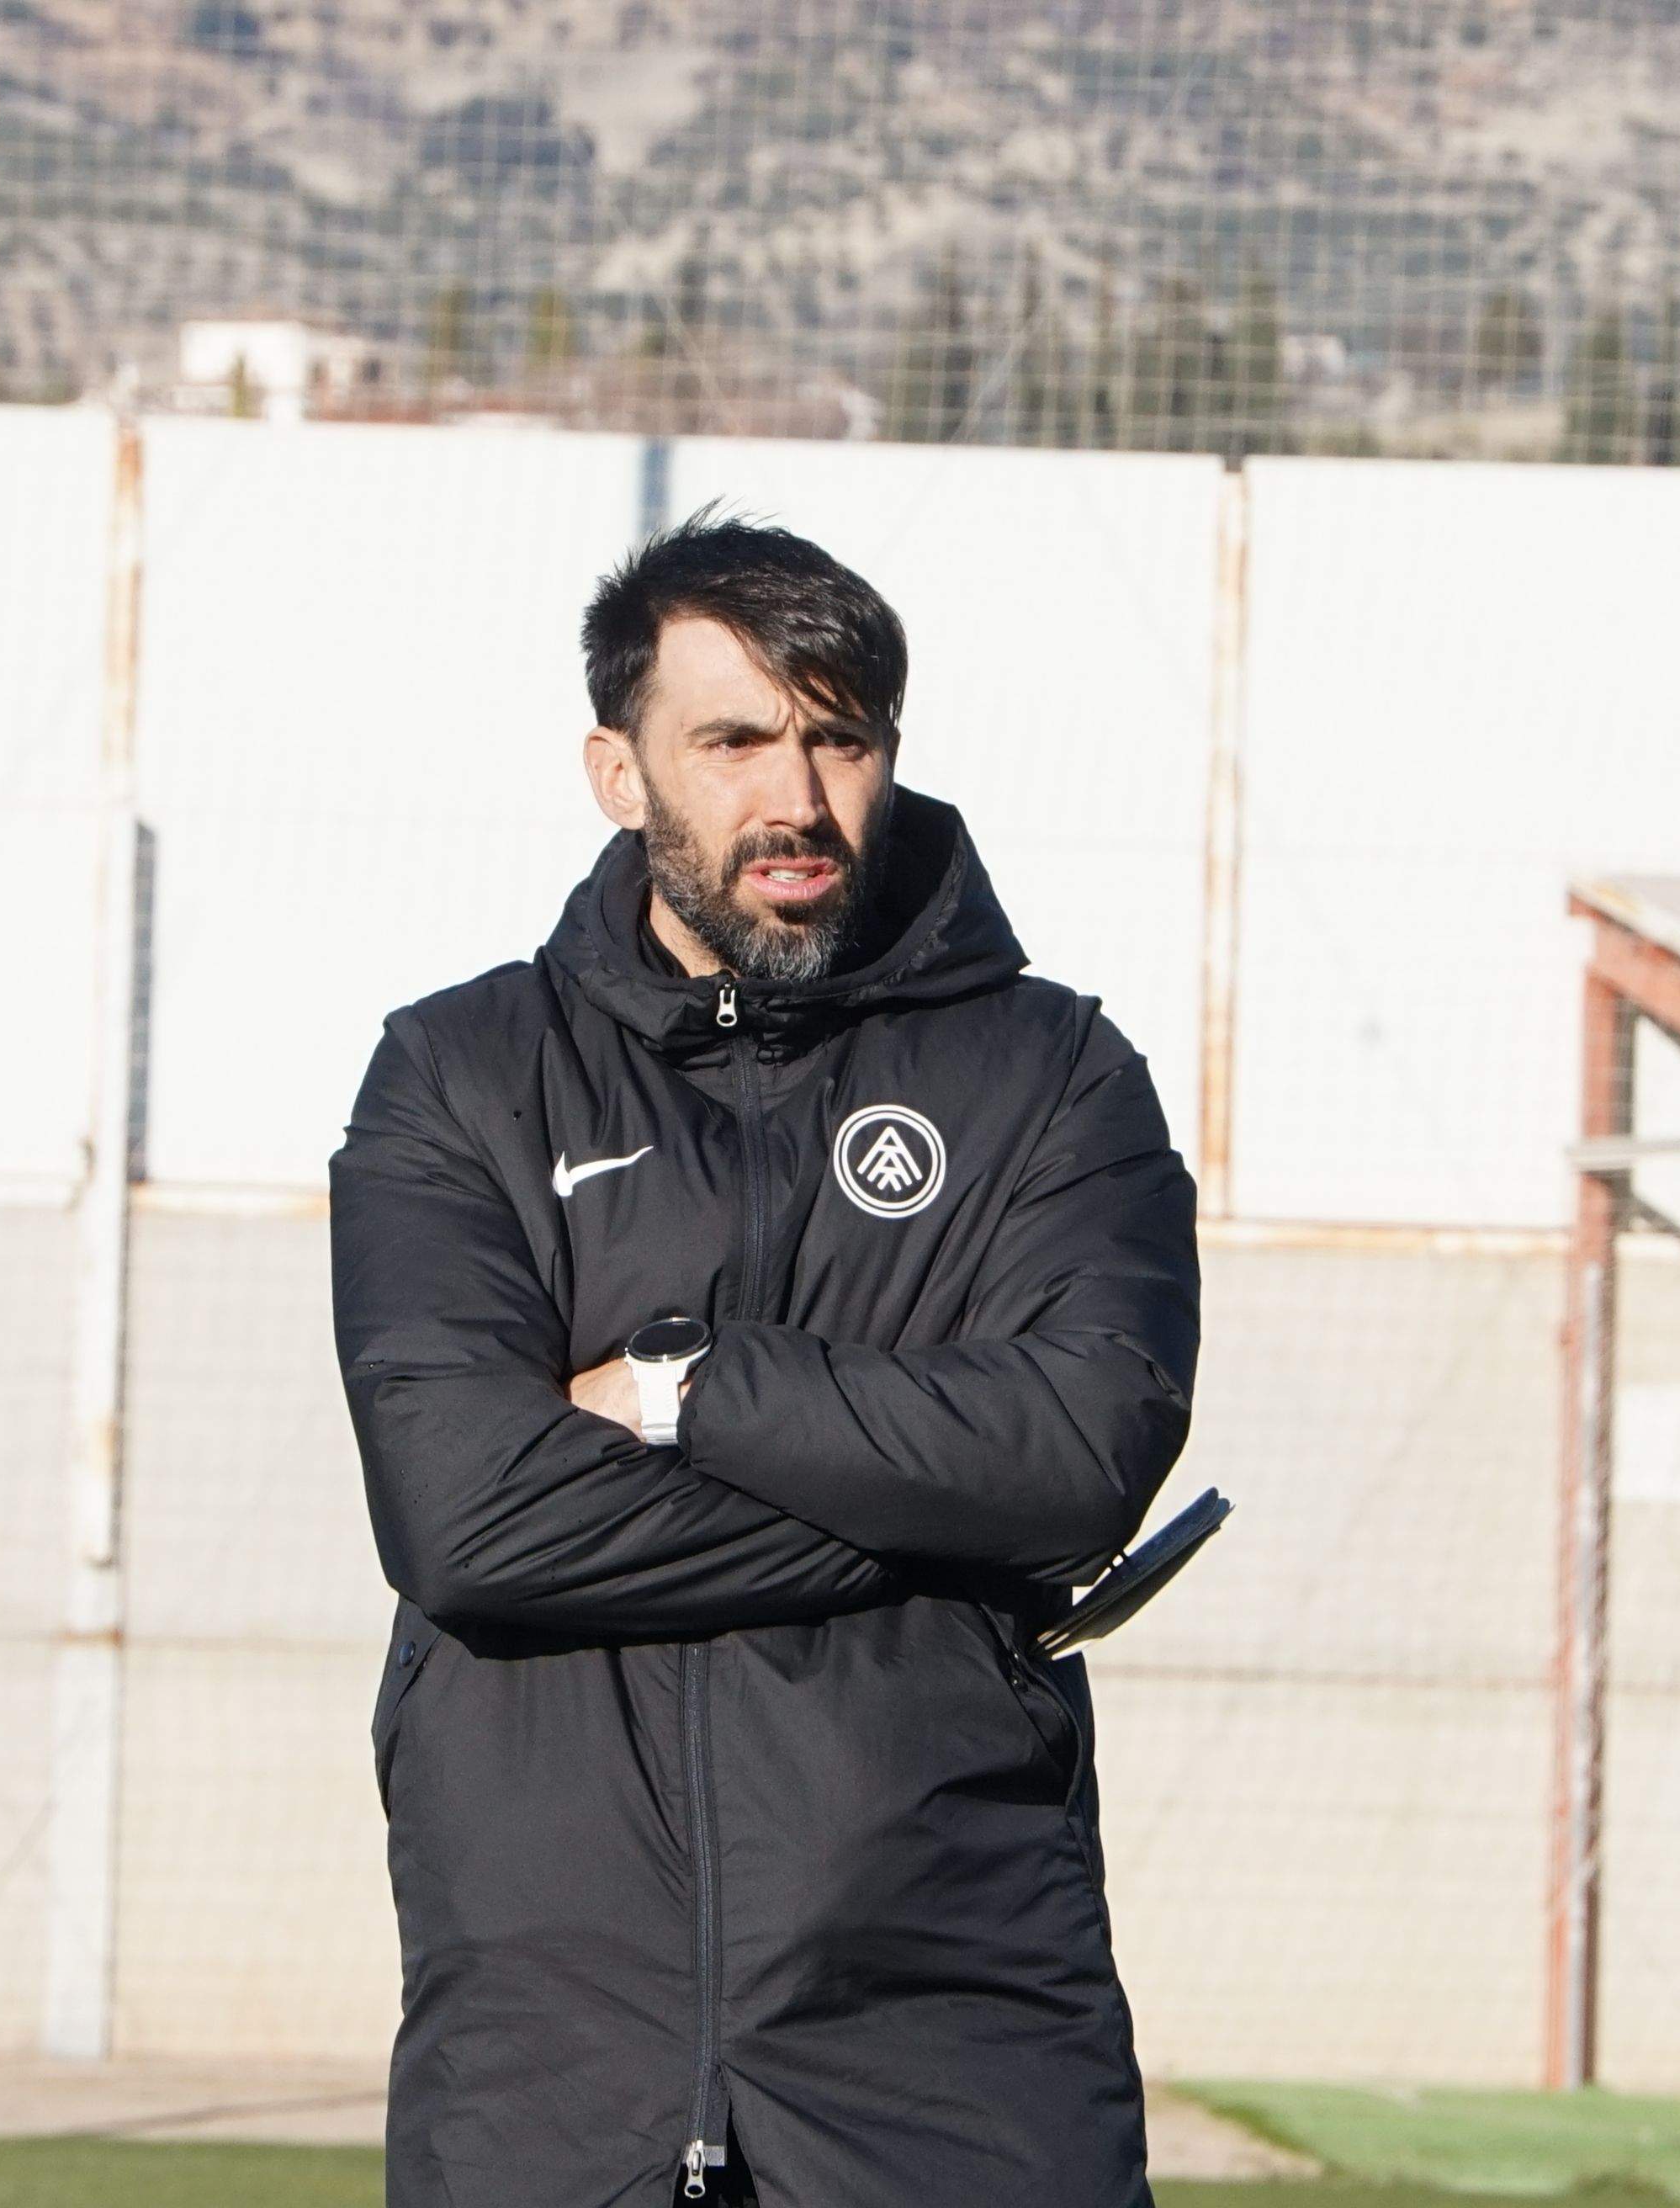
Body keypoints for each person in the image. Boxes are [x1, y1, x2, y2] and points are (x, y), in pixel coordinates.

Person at [329, 509, 1201, 2207]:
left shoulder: (1055, 1075)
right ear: (618, 766)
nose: (794, 798)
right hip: (550, 2056)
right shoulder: (459, 1075)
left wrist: (686, 1387)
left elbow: (1085, 1449)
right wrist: (946, 1507)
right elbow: (463, 1521)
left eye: (839, 738)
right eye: (732, 740)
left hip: (955, 2042)